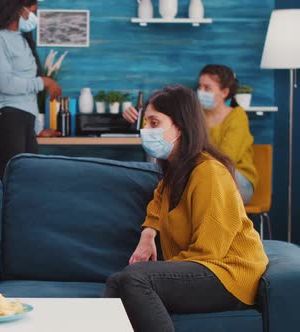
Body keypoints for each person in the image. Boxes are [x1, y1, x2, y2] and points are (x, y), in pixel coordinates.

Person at [105, 86, 268, 332]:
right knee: (116, 281)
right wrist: (148, 234)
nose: (144, 130)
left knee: (136, 278)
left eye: (154, 122)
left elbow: (210, 251)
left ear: (179, 127)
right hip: (205, 267)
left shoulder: (209, 172)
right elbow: (158, 202)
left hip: (227, 274)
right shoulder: (176, 171)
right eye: (146, 122)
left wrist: (156, 270)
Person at [123, 64, 258, 204]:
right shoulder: (195, 115)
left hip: (235, 177)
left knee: (199, 179)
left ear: (224, 92)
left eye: (207, 88)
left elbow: (227, 158)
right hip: (200, 173)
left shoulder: (237, 116)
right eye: (200, 87)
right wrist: (135, 117)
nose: (201, 91)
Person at [0, 0, 62, 179]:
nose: (32, 15)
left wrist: (36, 129)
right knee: (11, 182)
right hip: (8, 120)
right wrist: (43, 82)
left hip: (25, 121)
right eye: (30, 10)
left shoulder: (22, 40)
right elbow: (5, 84)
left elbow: (28, 97)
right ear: (16, 9)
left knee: (28, 182)